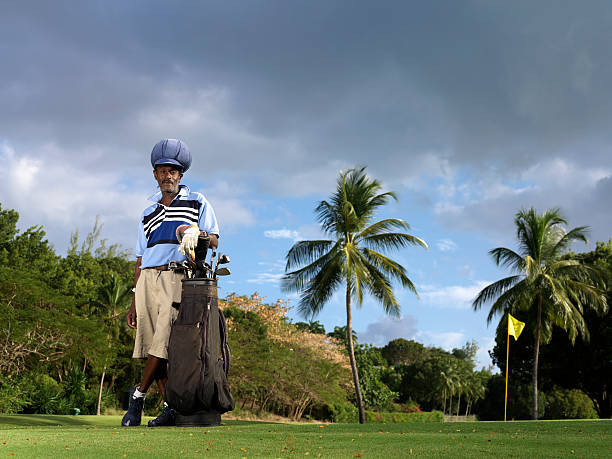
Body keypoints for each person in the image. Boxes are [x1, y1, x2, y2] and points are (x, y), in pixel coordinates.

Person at [121, 139, 219, 427]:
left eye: (173, 171)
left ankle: (137, 396)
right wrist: (133, 300)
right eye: (163, 171)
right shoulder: (146, 212)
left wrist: (195, 230)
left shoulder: (197, 201)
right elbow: (141, 258)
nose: (168, 176)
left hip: (178, 276)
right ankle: (169, 409)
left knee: (163, 340)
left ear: (181, 175)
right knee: (151, 345)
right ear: (155, 175)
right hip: (148, 280)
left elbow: (214, 240)